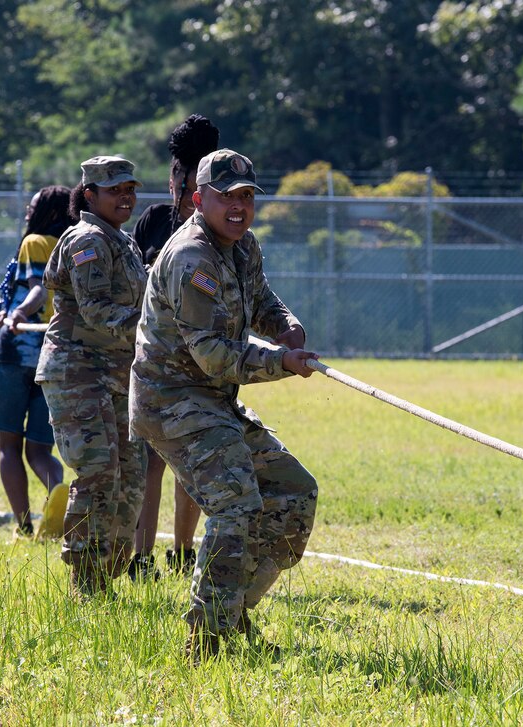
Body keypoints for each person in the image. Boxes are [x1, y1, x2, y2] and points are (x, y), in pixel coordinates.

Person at [130, 149, 317, 663]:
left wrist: (285, 326)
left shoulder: (241, 245)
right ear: (199, 199)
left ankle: (231, 614)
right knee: (235, 504)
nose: (239, 207)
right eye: (227, 196)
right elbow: (212, 356)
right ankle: (207, 641)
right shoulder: (191, 259)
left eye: (247, 197)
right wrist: (284, 363)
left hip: (211, 400)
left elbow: (262, 301)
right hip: (171, 401)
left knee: (294, 491)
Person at [34, 156, 149, 596]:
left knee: (131, 477)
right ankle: (86, 582)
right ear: (89, 195)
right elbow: (98, 310)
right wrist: (157, 330)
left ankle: (105, 576)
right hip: (79, 372)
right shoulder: (87, 240)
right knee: (99, 472)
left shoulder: (121, 241)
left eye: (130, 189)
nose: (126, 197)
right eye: (115, 190)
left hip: (118, 375)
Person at [129, 114, 221, 581]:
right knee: (149, 458)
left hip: (203, 364)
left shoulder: (220, 230)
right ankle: (142, 557)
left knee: (193, 459)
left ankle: (182, 552)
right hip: (155, 363)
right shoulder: (152, 223)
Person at [0, 186, 71, 538]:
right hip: (57, 356)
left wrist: (19, 312)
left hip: (17, 351)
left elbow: (38, 289)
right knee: (40, 449)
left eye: (34, 204)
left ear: (49, 212)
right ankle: (58, 490)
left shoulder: (35, 242)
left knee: (9, 446)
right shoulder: (76, 242)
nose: (28, 209)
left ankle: (23, 527)